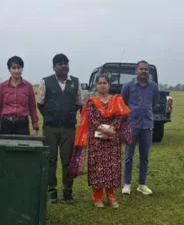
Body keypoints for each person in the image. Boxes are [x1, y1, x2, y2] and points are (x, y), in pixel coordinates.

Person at [68, 74, 132, 208]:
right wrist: (103, 129)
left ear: (109, 85)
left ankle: (111, 198)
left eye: (105, 83)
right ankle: (97, 198)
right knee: (97, 168)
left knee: (112, 168)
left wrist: (112, 128)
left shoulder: (116, 99)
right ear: (96, 85)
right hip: (96, 140)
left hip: (112, 140)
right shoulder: (91, 102)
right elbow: (92, 118)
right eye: (100, 83)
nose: (102, 85)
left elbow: (121, 116)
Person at [37, 53, 83, 204]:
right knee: (50, 160)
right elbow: (40, 103)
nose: (64, 66)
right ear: (54, 67)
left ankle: (68, 192)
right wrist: (52, 117)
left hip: (68, 128)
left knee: (67, 160)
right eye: (60, 63)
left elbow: (78, 103)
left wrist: (68, 116)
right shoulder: (46, 81)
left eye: (66, 63)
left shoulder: (75, 82)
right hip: (50, 128)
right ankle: (52, 191)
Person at [121, 60, 159, 196]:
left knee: (145, 157)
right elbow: (123, 104)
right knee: (128, 156)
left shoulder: (153, 87)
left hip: (147, 125)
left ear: (148, 72)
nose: (144, 71)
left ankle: (142, 184)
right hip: (132, 125)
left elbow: (154, 104)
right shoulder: (128, 86)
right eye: (141, 69)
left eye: (146, 69)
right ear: (136, 71)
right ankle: (127, 184)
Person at [0, 56, 39, 141]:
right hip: (6, 124)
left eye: (19, 68)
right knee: (5, 151)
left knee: (22, 151)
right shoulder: (3, 86)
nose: (16, 71)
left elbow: (33, 108)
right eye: (13, 68)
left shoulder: (28, 86)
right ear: (9, 69)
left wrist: (35, 128)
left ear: (22, 68)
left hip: (22, 124)